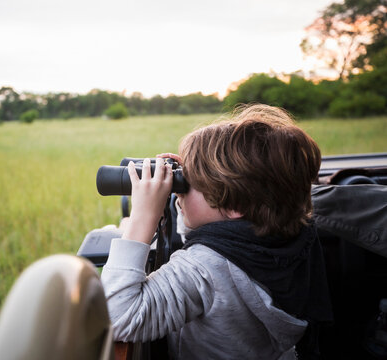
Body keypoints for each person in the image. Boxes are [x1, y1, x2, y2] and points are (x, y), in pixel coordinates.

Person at [100, 104, 333, 359]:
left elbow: (115, 317)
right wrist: (187, 193)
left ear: (234, 205)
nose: (180, 190)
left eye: (189, 183)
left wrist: (143, 216)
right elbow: (211, 232)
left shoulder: (205, 268)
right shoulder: (295, 233)